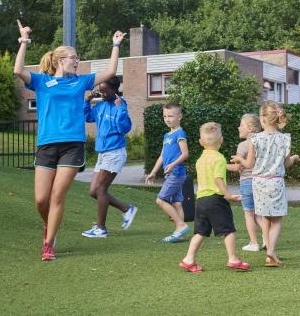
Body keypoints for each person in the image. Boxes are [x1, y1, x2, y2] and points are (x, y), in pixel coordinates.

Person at [13, 20, 126, 261]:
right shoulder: (42, 82)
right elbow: (17, 71)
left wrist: (115, 45)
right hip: (47, 144)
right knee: (41, 199)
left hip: (72, 145)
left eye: (77, 57)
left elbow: (109, 72)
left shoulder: (81, 81)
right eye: (74, 57)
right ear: (60, 60)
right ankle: (50, 226)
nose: (77, 60)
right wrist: (24, 41)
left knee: (56, 196)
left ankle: (48, 245)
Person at [233, 101, 300, 267]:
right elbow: (285, 164)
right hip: (276, 182)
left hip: (259, 182)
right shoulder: (285, 139)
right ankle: (270, 250)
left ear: (263, 119)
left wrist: (239, 159)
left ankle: (270, 253)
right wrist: (294, 159)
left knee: (265, 217)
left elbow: (248, 165)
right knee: (277, 219)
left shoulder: (255, 139)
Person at [179, 122, 250, 273]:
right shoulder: (219, 158)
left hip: (201, 201)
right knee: (228, 230)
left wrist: (233, 167)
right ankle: (233, 259)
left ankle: (188, 259)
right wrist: (228, 195)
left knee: (200, 232)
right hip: (215, 200)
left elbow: (212, 170)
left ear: (200, 142)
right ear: (221, 140)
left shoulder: (200, 160)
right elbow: (218, 177)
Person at [82, 77, 137, 238]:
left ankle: (101, 228)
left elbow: (124, 128)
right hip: (103, 152)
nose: (103, 94)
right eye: (100, 91)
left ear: (115, 90)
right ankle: (127, 209)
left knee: (100, 190)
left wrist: (120, 110)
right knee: (93, 191)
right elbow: (88, 117)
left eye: (106, 91)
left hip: (115, 153)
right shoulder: (100, 105)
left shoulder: (121, 105)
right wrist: (87, 102)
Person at [146, 103, 189, 243]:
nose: (167, 119)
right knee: (177, 202)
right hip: (172, 173)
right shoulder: (167, 135)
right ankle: (180, 234)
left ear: (180, 117)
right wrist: (153, 172)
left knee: (160, 200)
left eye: (171, 116)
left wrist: (172, 165)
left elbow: (185, 154)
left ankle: (181, 225)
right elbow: (162, 156)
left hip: (176, 173)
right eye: (165, 116)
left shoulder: (180, 133)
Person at [227, 114, 264, 252]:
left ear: (249, 128)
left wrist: (219, 165)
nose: (238, 127)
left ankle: (254, 243)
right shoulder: (262, 142)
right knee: (259, 214)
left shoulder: (243, 145)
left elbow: (238, 167)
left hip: (247, 182)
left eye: (241, 125)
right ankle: (267, 238)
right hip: (261, 182)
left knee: (249, 213)